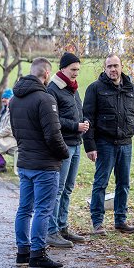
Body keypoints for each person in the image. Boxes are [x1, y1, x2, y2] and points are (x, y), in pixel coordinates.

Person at [10, 57, 69, 268]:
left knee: (24, 209)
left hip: (25, 162)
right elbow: (53, 135)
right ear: (45, 74)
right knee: (43, 209)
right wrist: (64, 154)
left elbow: (17, 133)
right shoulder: (45, 99)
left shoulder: (15, 99)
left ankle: (22, 252)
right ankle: (38, 254)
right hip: (44, 165)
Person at [83, 54, 134, 235]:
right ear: (104, 68)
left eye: (115, 66)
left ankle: (120, 220)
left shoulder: (131, 89)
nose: (113, 69)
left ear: (121, 66)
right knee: (100, 183)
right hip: (104, 144)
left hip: (125, 144)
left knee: (123, 184)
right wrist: (90, 146)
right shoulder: (95, 89)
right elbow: (88, 119)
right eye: (109, 66)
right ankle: (97, 223)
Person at [46, 52, 88, 248]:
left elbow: (77, 111)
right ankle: (51, 231)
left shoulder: (72, 88)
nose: (76, 74)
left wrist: (84, 121)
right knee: (58, 189)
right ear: (62, 68)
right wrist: (75, 126)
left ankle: (63, 227)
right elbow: (53, 120)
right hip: (63, 145)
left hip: (76, 143)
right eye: (73, 70)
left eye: (78, 70)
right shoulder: (53, 89)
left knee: (68, 189)